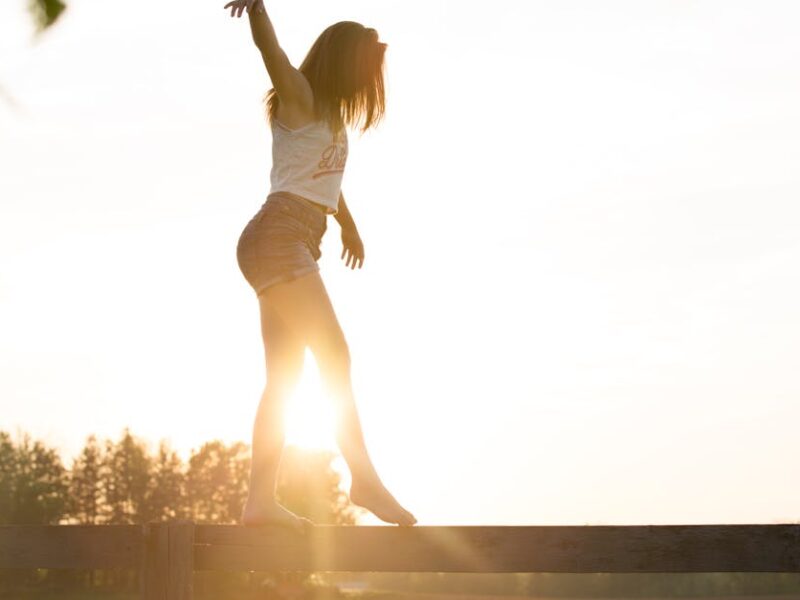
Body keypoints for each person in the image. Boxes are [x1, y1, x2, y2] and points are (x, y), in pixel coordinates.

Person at [223, 0, 417, 530]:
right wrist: (258, 6)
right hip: (278, 235)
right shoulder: (300, 97)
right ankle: (364, 478)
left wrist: (347, 222)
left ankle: (258, 503)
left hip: (292, 240)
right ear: (338, 62)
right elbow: (271, 52)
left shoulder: (328, 116)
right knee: (335, 353)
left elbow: (323, 180)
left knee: (283, 378)